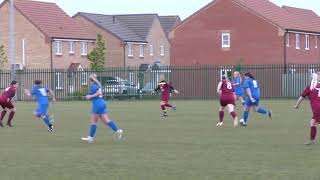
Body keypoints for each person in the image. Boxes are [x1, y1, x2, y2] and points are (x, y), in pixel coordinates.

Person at [81, 74, 123, 143]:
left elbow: (98, 93)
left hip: (97, 104)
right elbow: (97, 93)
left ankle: (90, 138)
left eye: (89, 80)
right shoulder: (97, 85)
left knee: (93, 122)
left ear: (91, 81)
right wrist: (89, 97)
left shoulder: (93, 86)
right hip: (102, 103)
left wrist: (90, 96)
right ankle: (118, 131)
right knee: (106, 121)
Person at [294, 73, 320, 145]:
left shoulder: (309, 88)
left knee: (313, 123)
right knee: (313, 122)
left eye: (311, 78)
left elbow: (301, 98)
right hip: (317, 109)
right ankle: (312, 140)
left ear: (312, 79)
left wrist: (296, 105)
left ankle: (312, 140)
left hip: (317, 109)